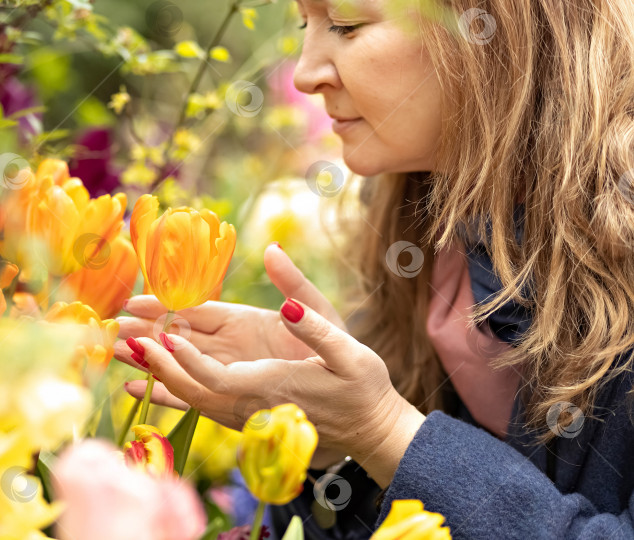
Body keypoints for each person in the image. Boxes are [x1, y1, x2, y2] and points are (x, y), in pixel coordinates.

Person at [113, 0, 634, 537]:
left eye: (345, 25)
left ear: (493, 30)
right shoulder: (428, 229)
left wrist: (387, 430)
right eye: (304, 26)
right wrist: (330, 440)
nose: (304, 73)